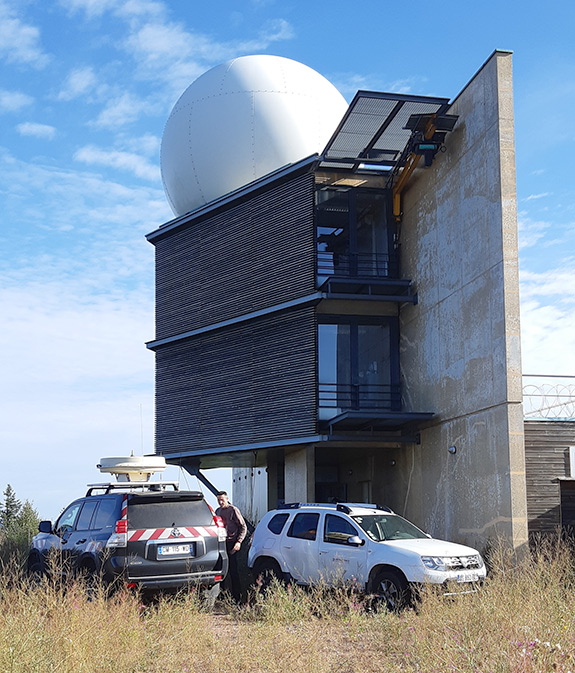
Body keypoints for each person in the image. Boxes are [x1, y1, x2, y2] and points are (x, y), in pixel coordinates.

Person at [215, 490, 247, 602]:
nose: (220, 502)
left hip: (232, 543)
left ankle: (237, 597)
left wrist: (239, 541)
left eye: (222, 500)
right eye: (218, 500)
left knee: (233, 570)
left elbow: (243, 527)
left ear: (227, 499)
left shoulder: (233, 510)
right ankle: (222, 595)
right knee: (222, 569)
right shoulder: (218, 511)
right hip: (221, 543)